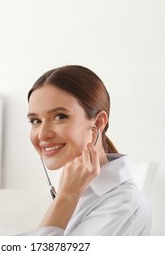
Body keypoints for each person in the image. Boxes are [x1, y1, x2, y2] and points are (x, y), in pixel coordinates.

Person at [24, 65, 152, 236]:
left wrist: (66, 197)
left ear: (98, 123)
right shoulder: (77, 190)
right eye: (35, 121)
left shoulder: (123, 206)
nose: (42, 134)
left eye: (59, 117)